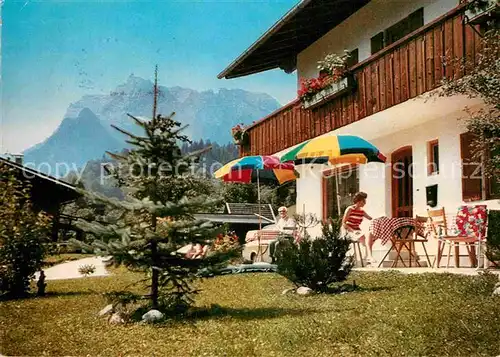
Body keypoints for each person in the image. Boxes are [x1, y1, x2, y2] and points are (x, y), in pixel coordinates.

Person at [342, 192, 376, 264]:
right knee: (365, 239)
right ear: (359, 201)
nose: (365, 203)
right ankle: (368, 257)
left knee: (370, 240)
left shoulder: (362, 211)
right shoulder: (350, 209)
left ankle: (367, 258)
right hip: (348, 229)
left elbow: (370, 218)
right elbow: (344, 223)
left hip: (357, 230)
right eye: (364, 201)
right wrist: (352, 231)